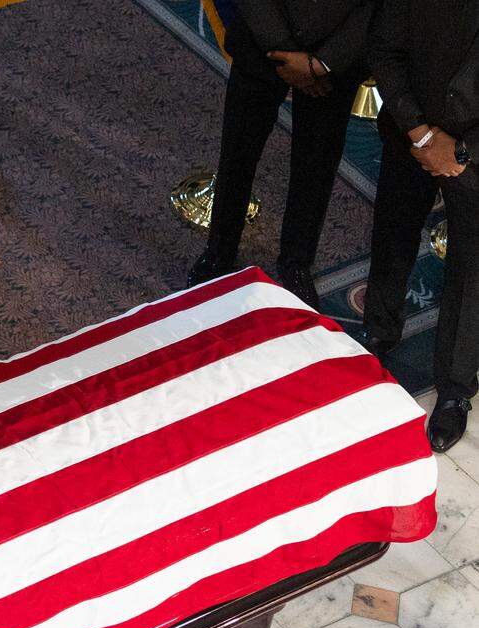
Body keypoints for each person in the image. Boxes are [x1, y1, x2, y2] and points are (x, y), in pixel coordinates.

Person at [186, 0, 373, 308]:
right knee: (238, 153)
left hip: (333, 64)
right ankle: (220, 251)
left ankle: (296, 263)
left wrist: (322, 63)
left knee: (316, 166)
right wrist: (285, 54)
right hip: (262, 43)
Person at [357, 0, 479, 453]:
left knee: (471, 273)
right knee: (393, 234)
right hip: (411, 134)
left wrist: (462, 151)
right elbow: (384, 48)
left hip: (475, 158)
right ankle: (376, 333)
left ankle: (454, 389)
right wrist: (422, 134)